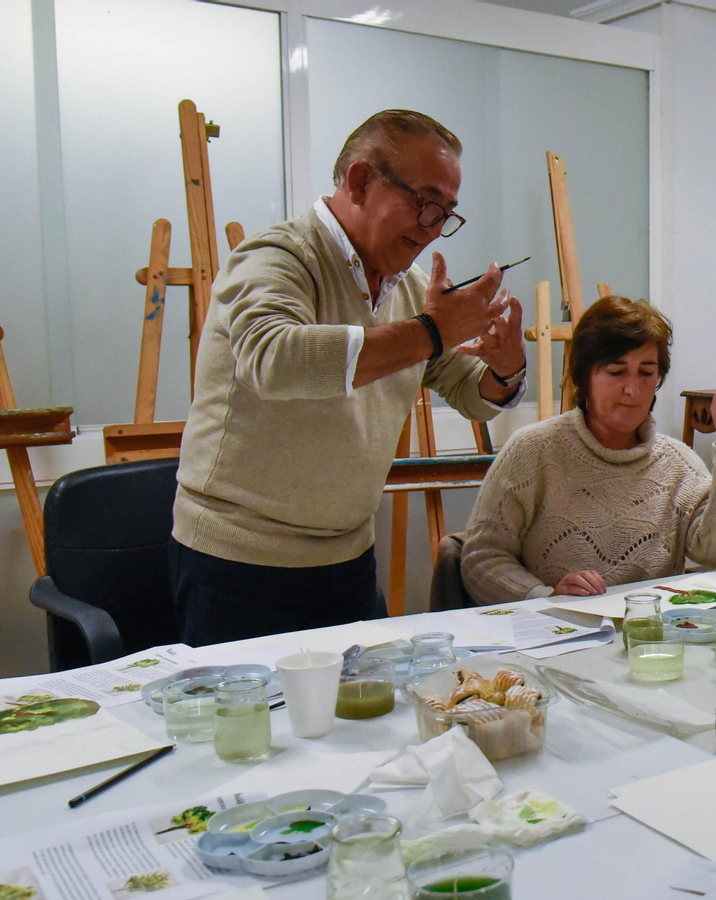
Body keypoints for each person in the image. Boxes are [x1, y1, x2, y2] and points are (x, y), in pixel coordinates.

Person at [171, 109, 529, 645]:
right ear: (360, 180)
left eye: (447, 212)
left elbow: (467, 390)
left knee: (364, 723)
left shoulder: (404, 291)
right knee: (251, 727)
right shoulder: (278, 256)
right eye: (424, 202)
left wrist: (506, 367)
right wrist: (432, 331)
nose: (432, 227)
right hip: (238, 559)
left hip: (348, 555)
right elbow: (274, 358)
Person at [460, 296, 716, 604]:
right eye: (616, 372)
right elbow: (482, 559)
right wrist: (546, 595)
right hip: (557, 637)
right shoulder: (532, 450)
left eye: (646, 373)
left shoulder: (679, 464)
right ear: (584, 377)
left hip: (652, 640)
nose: (632, 390)